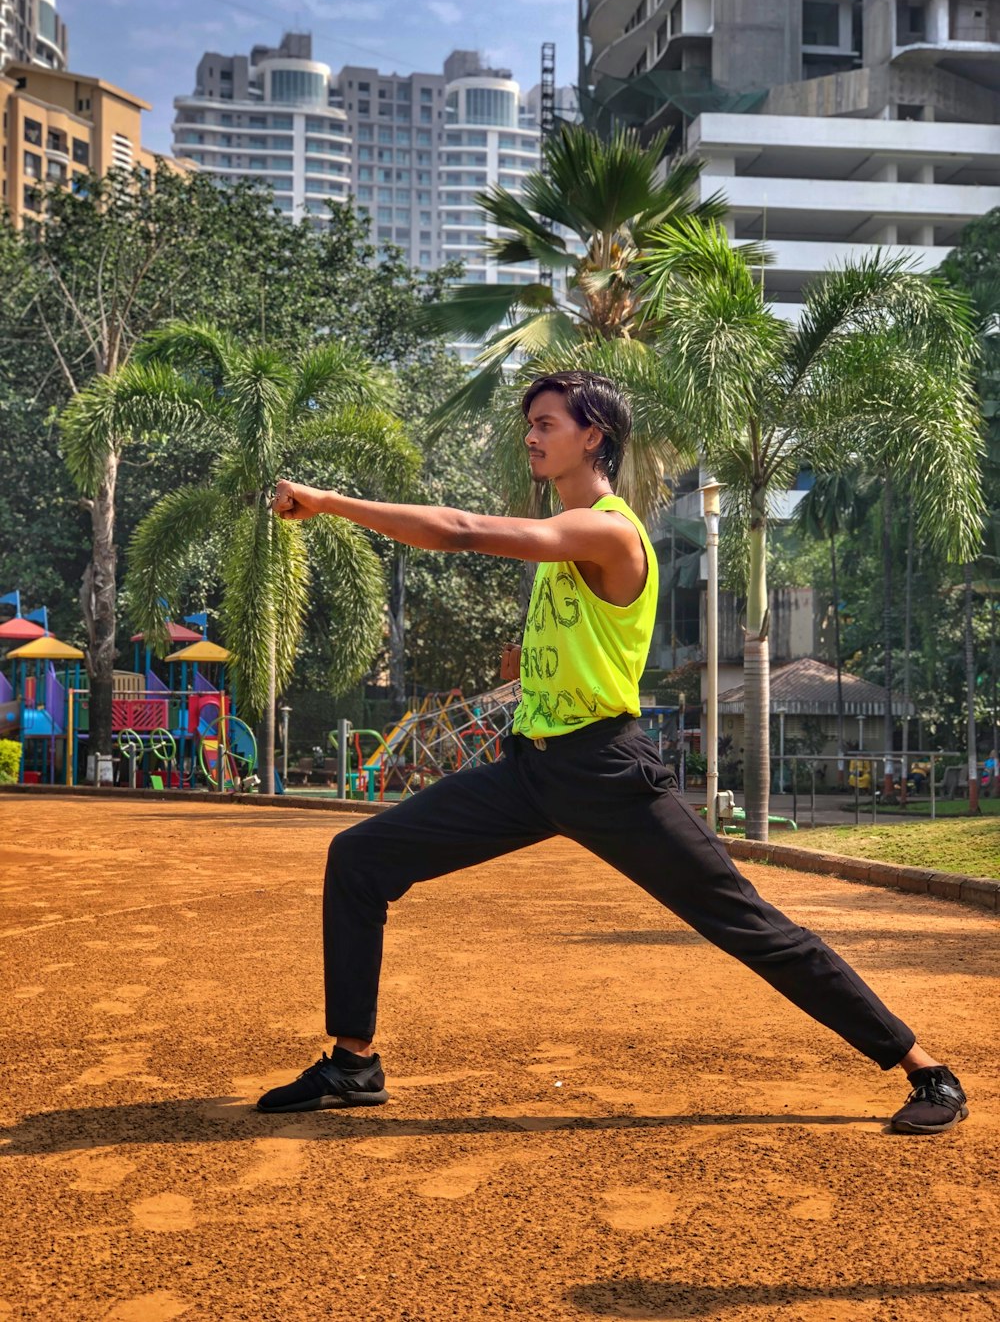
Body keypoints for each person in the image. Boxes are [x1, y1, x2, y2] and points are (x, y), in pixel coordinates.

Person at [258, 370, 968, 1136]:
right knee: (361, 856)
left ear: (592, 434)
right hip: (532, 771)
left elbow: (460, 529)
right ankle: (354, 1063)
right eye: (528, 423)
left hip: (606, 773)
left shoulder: (608, 529)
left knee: (745, 922)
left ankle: (926, 1068)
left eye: (547, 422)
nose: (531, 435)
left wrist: (330, 503)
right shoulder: (566, 532)